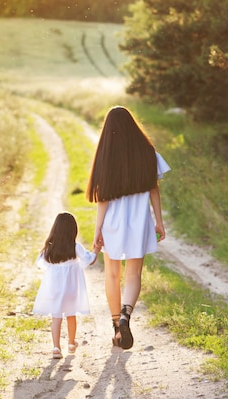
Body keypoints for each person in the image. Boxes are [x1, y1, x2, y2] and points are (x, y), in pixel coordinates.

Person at [86, 106, 170, 350]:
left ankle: (116, 329)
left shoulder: (106, 157)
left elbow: (103, 199)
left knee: (112, 274)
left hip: (113, 222)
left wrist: (97, 230)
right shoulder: (147, 153)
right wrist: (159, 220)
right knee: (134, 275)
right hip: (140, 222)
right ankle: (126, 315)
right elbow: (154, 188)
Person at [32, 212, 101, 359]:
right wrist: (96, 250)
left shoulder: (49, 249)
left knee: (56, 317)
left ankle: (56, 347)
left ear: (54, 229)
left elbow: (40, 263)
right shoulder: (76, 247)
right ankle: (71, 343)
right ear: (73, 230)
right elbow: (89, 260)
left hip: (54, 289)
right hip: (71, 289)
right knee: (71, 315)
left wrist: (55, 268)